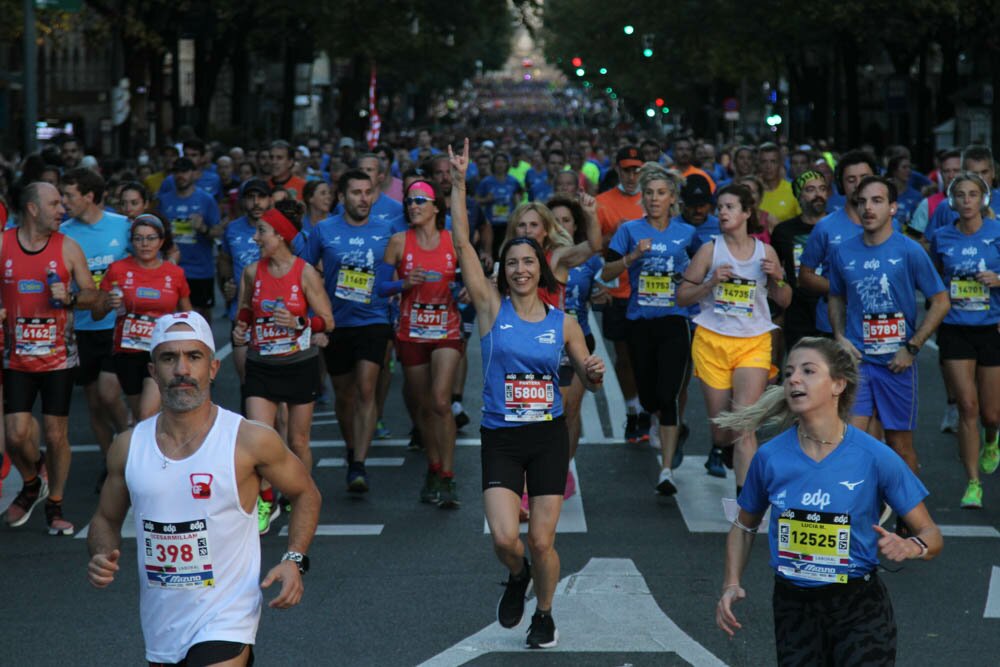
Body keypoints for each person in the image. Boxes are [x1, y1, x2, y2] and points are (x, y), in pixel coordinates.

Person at [86, 311, 321, 667]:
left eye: (193, 357)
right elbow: (105, 518)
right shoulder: (128, 446)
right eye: (169, 358)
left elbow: (306, 493)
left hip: (227, 618)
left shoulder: (248, 439)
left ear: (213, 368)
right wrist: (102, 554)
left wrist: (294, 560)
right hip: (162, 623)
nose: (182, 369)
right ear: (153, 372)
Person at [450, 138, 605, 649]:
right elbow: (462, 245)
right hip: (500, 436)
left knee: (541, 540)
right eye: (512, 262)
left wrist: (594, 372)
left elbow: (585, 368)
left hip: (546, 438)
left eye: (528, 262)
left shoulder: (563, 322)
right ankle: (516, 576)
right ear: (503, 269)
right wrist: (457, 183)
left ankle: (545, 611)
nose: (520, 269)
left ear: (542, 269)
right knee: (504, 540)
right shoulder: (492, 311)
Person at [714, 337, 943, 665]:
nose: (794, 379)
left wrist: (913, 547)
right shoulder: (770, 457)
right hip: (795, 609)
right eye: (790, 372)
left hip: (859, 608)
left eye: (808, 371)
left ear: (838, 384)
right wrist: (731, 582)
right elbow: (743, 526)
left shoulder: (875, 456)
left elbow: (932, 535)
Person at [828, 176, 950, 491]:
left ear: (893, 208)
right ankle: (859, 513)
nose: (869, 208)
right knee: (850, 440)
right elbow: (836, 295)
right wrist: (840, 336)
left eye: (877, 201)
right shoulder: (844, 252)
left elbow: (940, 300)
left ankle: (909, 518)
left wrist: (912, 347)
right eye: (862, 201)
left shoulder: (909, 250)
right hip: (858, 363)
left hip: (897, 364)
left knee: (899, 444)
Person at [1, 182, 108, 535]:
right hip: (16, 357)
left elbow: (95, 296)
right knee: (15, 435)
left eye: (63, 203)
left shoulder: (68, 247)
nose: (61, 209)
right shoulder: (4, 244)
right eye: (54, 204)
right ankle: (33, 482)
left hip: (59, 358)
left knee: (56, 434)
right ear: (32, 208)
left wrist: (74, 297)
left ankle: (55, 505)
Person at [676, 184, 791, 491]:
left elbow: (785, 299)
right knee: (721, 431)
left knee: (744, 425)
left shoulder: (765, 252)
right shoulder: (709, 251)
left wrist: (778, 275)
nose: (722, 212)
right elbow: (683, 297)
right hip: (712, 342)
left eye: (729, 207)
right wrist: (711, 282)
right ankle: (723, 448)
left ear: (746, 213)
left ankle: (746, 499)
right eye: (720, 207)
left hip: (753, 341)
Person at [233, 207, 333, 532]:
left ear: (280, 236)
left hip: (299, 365)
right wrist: (239, 329)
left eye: (262, 232)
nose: (255, 237)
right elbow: (246, 310)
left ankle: (299, 494)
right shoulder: (252, 272)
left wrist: (300, 321)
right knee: (256, 438)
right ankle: (265, 499)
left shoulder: (305, 273)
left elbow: (327, 321)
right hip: (261, 365)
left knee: (298, 440)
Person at [602, 163, 696, 495]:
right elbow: (606, 272)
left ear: (672, 198)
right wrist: (630, 258)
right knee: (648, 394)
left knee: (669, 394)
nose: (654, 199)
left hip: (675, 318)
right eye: (649, 193)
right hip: (640, 319)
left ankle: (666, 470)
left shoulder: (687, 233)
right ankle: (659, 419)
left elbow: (702, 266)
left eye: (661, 193)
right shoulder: (629, 230)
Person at [301, 169, 393, 493]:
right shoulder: (324, 230)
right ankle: (352, 448)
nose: (363, 198)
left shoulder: (387, 230)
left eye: (368, 192)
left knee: (367, 389)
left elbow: (397, 272)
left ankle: (359, 464)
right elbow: (305, 271)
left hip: (374, 319)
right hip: (336, 322)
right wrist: (314, 319)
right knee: (345, 395)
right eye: (356, 192)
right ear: (342, 197)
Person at [380, 179, 464, 507]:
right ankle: (433, 466)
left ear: (435, 207)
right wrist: (402, 283)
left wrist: (467, 291)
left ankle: (448, 475)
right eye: (409, 201)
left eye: (419, 200)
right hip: (411, 333)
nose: (413, 206)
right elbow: (379, 288)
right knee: (424, 407)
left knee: (442, 402)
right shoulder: (399, 242)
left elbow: (469, 282)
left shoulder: (454, 242)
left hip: (447, 331)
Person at [927, 172, 1000, 507]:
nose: (966, 201)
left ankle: (992, 438)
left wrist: (997, 279)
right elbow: (933, 277)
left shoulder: (997, 233)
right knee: (967, 406)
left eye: (973, 194)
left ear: (983, 199)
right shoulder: (942, 237)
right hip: (955, 327)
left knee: (991, 413)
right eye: (960, 195)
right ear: (951, 201)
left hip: (991, 327)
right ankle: (973, 483)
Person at [60, 167, 132, 489]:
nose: (63, 202)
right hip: (82, 328)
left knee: (109, 392)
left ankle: (129, 448)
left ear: (89, 196)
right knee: (93, 401)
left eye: (69, 195)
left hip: (116, 324)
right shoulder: (64, 233)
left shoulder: (123, 226)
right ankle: (111, 463)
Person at [95, 214, 191, 421]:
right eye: (138, 238)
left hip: (160, 352)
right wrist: (106, 304)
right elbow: (96, 313)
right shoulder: (118, 270)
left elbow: (187, 315)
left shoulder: (174, 273)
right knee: (140, 415)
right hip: (127, 351)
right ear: (132, 241)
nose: (144, 244)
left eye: (151, 238)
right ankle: (129, 440)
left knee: (148, 412)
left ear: (161, 241)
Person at [549, 195, 608, 495]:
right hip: (548, 341)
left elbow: (603, 285)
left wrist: (602, 293)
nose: (560, 225)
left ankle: (566, 464)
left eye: (566, 220)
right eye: (554, 220)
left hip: (578, 338)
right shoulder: (540, 257)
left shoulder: (586, 260)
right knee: (553, 410)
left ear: (575, 226)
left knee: (571, 410)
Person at [596, 146, 649, 443]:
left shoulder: (654, 199)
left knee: (649, 356)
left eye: (637, 170)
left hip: (652, 292)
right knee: (625, 356)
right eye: (627, 170)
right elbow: (593, 247)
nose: (632, 176)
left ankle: (650, 409)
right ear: (617, 170)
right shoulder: (603, 204)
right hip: (619, 290)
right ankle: (633, 411)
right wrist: (614, 234)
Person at [157, 157, 223, 323]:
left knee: (201, 315)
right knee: (173, 314)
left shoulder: (206, 199)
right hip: (172, 266)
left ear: (194, 174)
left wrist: (203, 228)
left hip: (200, 269)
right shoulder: (164, 200)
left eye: (185, 171)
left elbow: (217, 231)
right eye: (177, 172)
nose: (181, 176)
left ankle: (206, 346)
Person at [770, 170, 829, 351]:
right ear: (799, 196)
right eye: (810, 189)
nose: (818, 194)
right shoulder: (783, 231)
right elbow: (776, 275)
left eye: (822, 189)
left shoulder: (838, 226)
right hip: (797, 314)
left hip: (832, 309)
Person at [475, 152, 523, 260]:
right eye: (497, 162)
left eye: (503, 162)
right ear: (493, 164)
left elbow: (519, 197)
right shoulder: (486, 182)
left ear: (507, 164)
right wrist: (486, 199)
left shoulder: (513, 181)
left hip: (508, 223)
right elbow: (476, 200)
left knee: (508, 252)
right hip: (491, 225)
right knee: (493, 252)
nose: (500, 164)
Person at [756, 142, 801, 224]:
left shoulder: (793, 190)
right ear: (759, 164)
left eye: (773, 161)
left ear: (780, 164)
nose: (768, 166)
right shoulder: (753, 192)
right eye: (764, 162)